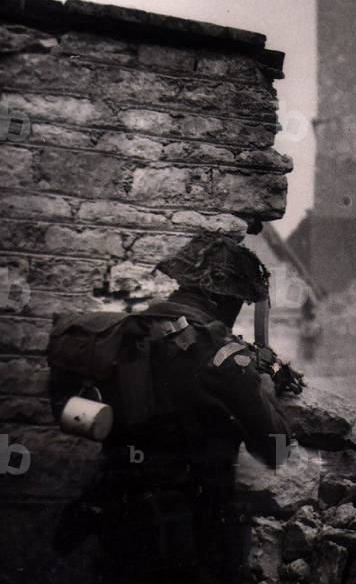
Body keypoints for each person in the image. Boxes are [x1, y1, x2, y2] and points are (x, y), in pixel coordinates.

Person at [50, 235, 292, 583]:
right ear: (222, 298)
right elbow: (276, 448)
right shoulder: (224, 359)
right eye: (239, 301)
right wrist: (265, 388)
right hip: (188, 536)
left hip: (117, 517)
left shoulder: (127, 331)